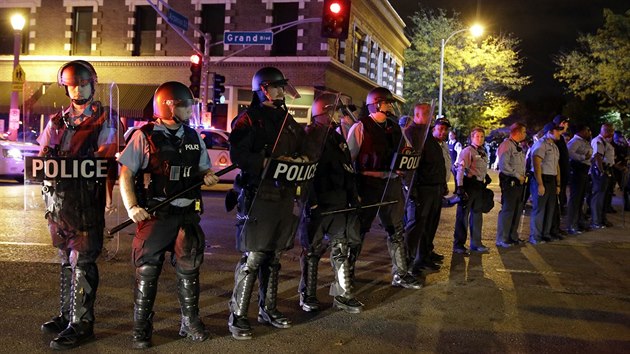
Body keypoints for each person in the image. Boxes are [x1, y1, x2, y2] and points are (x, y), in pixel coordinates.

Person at [118, 81, 219, 348]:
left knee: (189, 269)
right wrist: (132, 207)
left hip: (187, 214)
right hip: (156, 215)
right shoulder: (144, 135)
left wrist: (207, 177)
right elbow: (126, 173)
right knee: (147, 271)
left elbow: (202, 169)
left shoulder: (194, 136)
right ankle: (141, 328)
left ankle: (190, 322)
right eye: (186, 106)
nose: (190, 111)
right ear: (169, 105)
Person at [38, 60, 120, 350]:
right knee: (64, 260)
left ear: (92, 84)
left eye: (82, 83)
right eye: (71, 84)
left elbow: (107, 157)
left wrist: (109, 198)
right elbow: (43, 155)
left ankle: (82, 323)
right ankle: (66, 314)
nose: (76, 89)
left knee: (82, 262)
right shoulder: (57, 121)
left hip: (87, 199)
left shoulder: (105, 118)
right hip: (60, 201)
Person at [228, 67, 307, 339]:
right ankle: (238, 314)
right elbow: (238, 154)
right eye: (277, 86)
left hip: (283, 195)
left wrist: (301, 161)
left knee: (273, 256)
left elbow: (303, 148)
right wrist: (265, 162)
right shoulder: (248, 119)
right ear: (263, 88)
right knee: (254, 256)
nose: (282, 91)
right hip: (257, 194)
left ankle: (268, 308)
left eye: (283, 87)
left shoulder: (287, 119)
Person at [346, 87, 422, 289]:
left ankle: (400, 273)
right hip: (368, 184)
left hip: (392, 183)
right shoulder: (361, 127)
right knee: (359, 231)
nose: (391, 106)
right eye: (388, 102)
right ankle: (347, 275)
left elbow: (406, 151)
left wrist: (407, 161)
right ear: (377, 103)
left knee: (396, 229)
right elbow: (349, 158)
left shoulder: (395, 128)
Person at [298, 93, 364, 314]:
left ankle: (343, 295)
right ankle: (307, 295)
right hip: (318, 204)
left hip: (339, 203)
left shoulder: (337, 137)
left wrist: (353, 196)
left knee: (340, 249)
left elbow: (348, 170)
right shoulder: (309, 136)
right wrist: (311, 202)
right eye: (335, 111)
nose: (338, 115)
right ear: (323, 112)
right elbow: (305, 174)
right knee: (312, 251)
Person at [403, 107, 450, 274]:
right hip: (421, 189)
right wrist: (411, 190)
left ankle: (423, 256)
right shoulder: (412, 134)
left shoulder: (426, 134)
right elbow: (408, 166)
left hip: (434, 187)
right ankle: (408, 263)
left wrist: (441, 184)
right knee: (415, 227)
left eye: (432, 114)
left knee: (429, 225)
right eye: (427, 114)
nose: (431, 117)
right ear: (417, 115)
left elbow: (437, 162)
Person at [453, 127, 491, 254]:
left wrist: (486, 176)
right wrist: (460, 187)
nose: (479, 139)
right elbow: (461, 170)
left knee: (477, 216)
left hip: (479, 186)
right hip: (469, 185)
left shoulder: (483, 151)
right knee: (463, 216)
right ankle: (459, 245)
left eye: (482, 136)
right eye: (477, 136)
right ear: (472, 138)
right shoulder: (467, 151)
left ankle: (476, 243)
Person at [529, 122, 562, 244]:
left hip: (551, 179)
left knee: (550, 208)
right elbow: (537, 165)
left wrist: (558, 183)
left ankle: (545, 234)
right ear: (550, 132)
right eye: (557, 131)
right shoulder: (541, 144)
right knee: (540, 209)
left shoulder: (554, 146)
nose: (560, 133)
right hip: (542, 178)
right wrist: (540, 184)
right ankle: (535, 236)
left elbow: (556, 166)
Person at [495, 123, 527, 248]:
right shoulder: (506, 145)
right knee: (508, 210)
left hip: (519, 182)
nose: (525, 134)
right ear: (517, 132)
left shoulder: (517, 146)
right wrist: (517, 175)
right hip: (510, 182)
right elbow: (504, 166)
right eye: (524, 132)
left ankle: (512, 236)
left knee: (517, 210)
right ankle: (502, 238)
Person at [566, 124, 592, 235]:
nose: (589, 132)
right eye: (587, 130)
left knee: (581, 199)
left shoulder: (585, 141)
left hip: (585, 171)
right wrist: (582, 157)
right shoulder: (575, 141)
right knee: (575, 199)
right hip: (578, 171)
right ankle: (572, 224)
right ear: (581, 131)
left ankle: (579, 222)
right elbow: (570, 153)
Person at [590, 123, 615, 229]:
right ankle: (596, 220)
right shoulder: (598, 141)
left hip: (607, 168)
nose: (612, 133)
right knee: (598, 197)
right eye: (610, 131)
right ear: (604, 131)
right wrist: (601, 171)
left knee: (604, 197)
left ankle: (602, 219)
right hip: (601, 170)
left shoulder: (605, 142)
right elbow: (597, 156)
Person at [550, 115, 570, 239]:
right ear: (562, 124)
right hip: (556, 176)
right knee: (555, 204)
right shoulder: (555, 139)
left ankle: (556, 227)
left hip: (562, 176)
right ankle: (553, 229)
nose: (567, 126)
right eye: (566, 123)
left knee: (560, 203)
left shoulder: (560, 138)